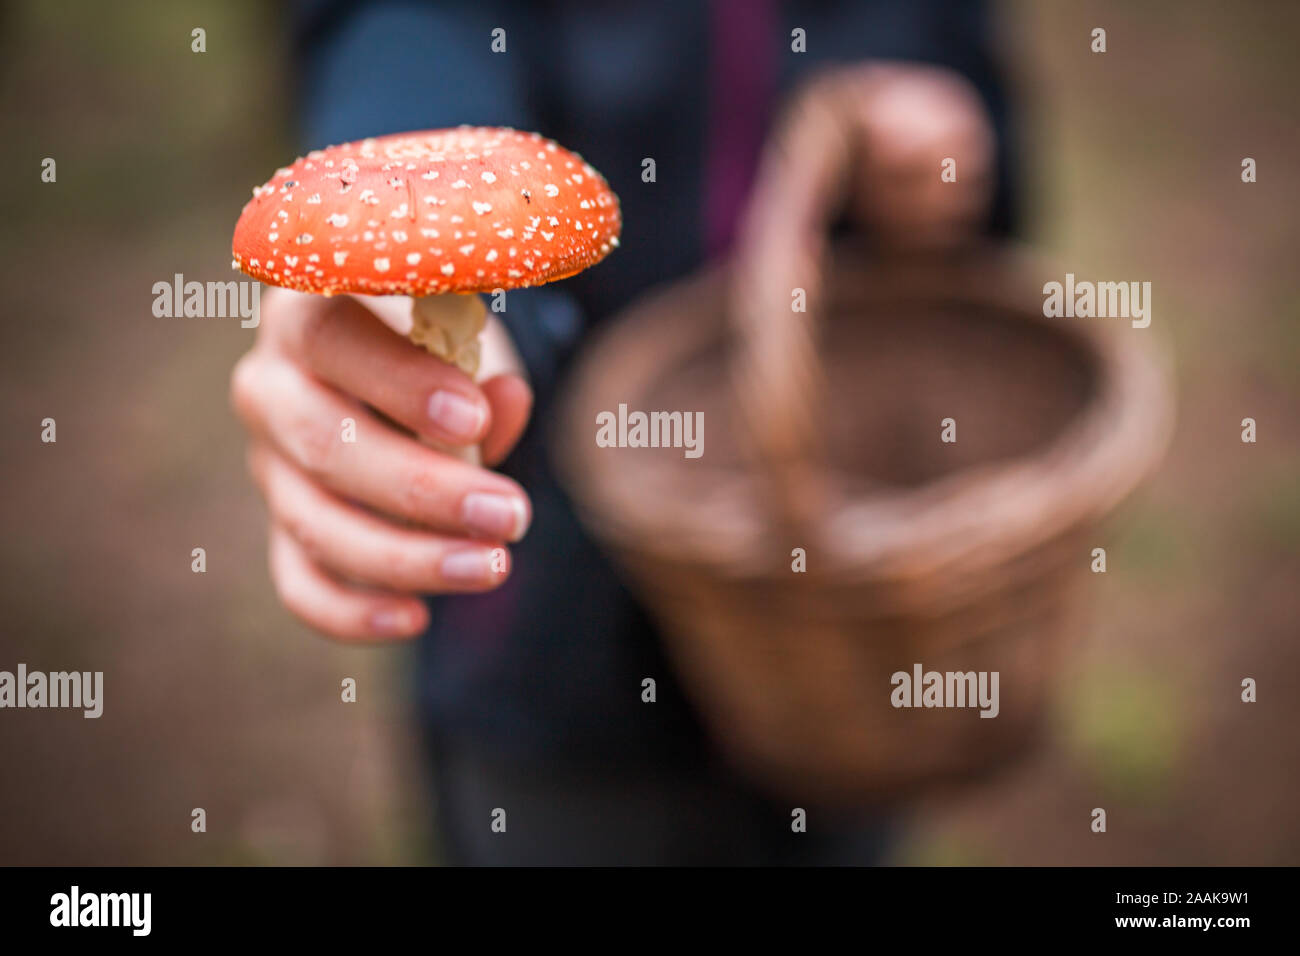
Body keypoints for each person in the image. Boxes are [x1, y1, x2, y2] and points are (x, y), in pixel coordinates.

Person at [231, 0, 1017, 864]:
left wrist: (942, 127)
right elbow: (401, 20)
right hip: (553, 648)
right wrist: (401, 233)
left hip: (849, 600)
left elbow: (946, 36)